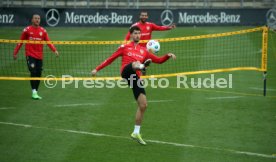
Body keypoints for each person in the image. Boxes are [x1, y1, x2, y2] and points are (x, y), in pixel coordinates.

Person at [91, 26, 176, 145]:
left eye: (139, 34)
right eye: (135, 33)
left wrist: (168, 55)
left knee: (143, 105)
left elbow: (159, 60)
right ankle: (142, 67)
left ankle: (136, 132)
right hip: (126, 71)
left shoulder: (144, 51)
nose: (137, 35)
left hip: (135, 78)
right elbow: (110, 59)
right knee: (135, 64)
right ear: (131, 35)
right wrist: (96, 69)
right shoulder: (124, 47)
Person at [13, 14, 59, 100]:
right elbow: (20, 42)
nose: (37, 20)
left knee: (38, 74)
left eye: (38, 18)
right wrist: (15, 52)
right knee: (33, 72)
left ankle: (36, 92)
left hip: (39, 56)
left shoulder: (43, 31)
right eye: (35, 18)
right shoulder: (27, 30)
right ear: (32, 20)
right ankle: (33, 91)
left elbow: (48, 42)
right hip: (30, 55)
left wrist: (54, 50)